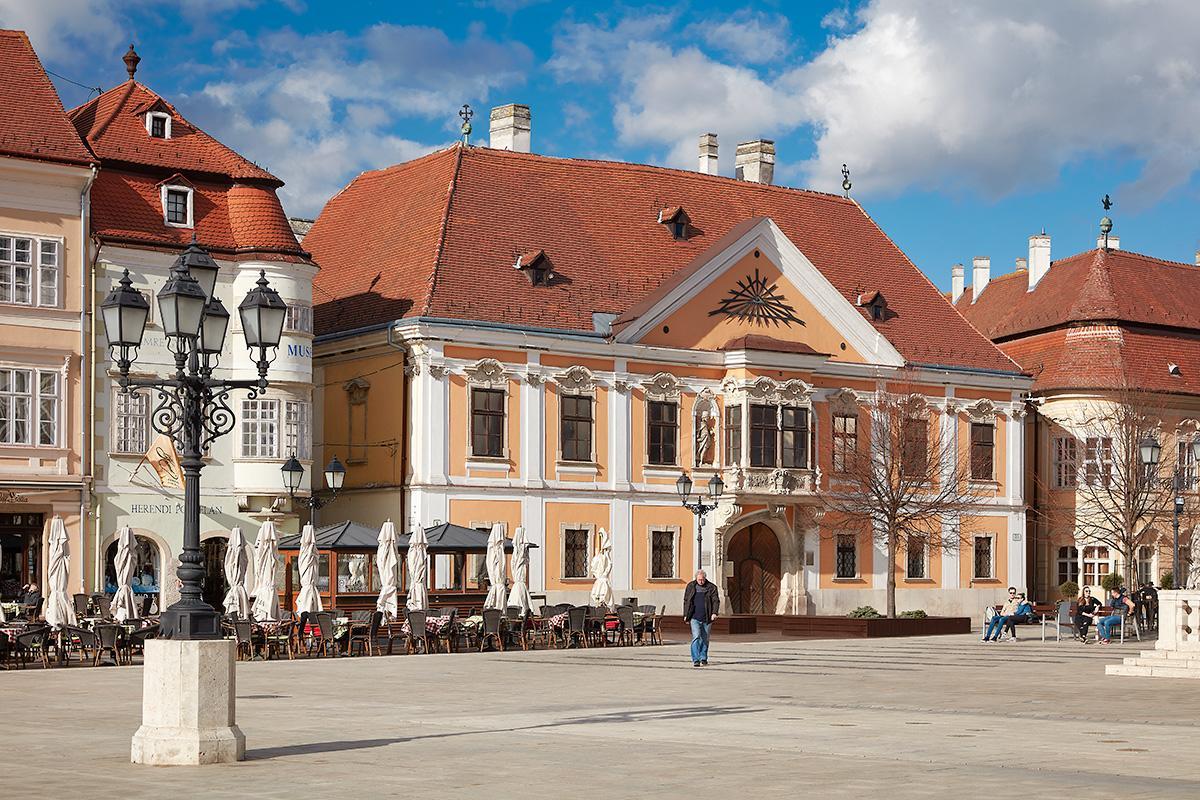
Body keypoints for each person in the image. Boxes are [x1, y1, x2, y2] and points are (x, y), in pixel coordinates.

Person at [683, 569, 719, 666]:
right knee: (696, 637)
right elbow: (686, 601)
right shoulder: (691, 586)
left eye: (702, 580)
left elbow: (716, 601)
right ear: (696, 578)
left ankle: (703, 657)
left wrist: (714, 613)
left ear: (705, 578)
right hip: (694, 617)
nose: (701, 582)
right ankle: (696, 659)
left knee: (705, 638)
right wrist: (686, 615)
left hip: (707, 617)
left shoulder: (712, 587)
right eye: (699, 580)